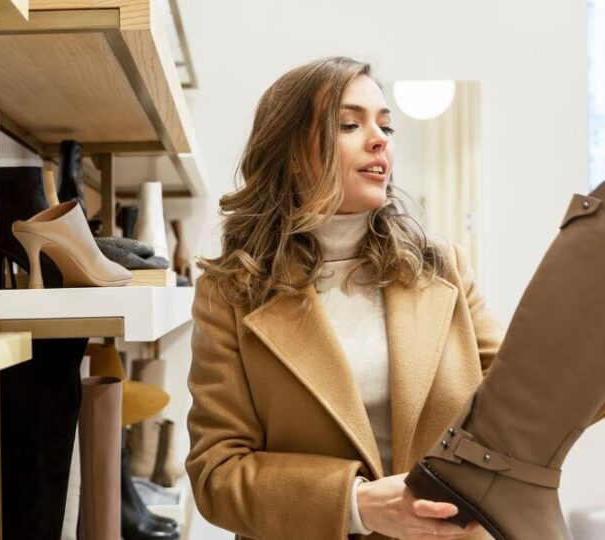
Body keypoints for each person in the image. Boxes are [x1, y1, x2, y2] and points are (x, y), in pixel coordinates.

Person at [186, 56, 502, 539]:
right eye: (349, 124)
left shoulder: (443, 267)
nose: (379, 139)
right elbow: (217, 474)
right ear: (291, 152)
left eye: (386, 126)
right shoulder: (231, 292)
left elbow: (518, 403)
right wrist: (354, 504)